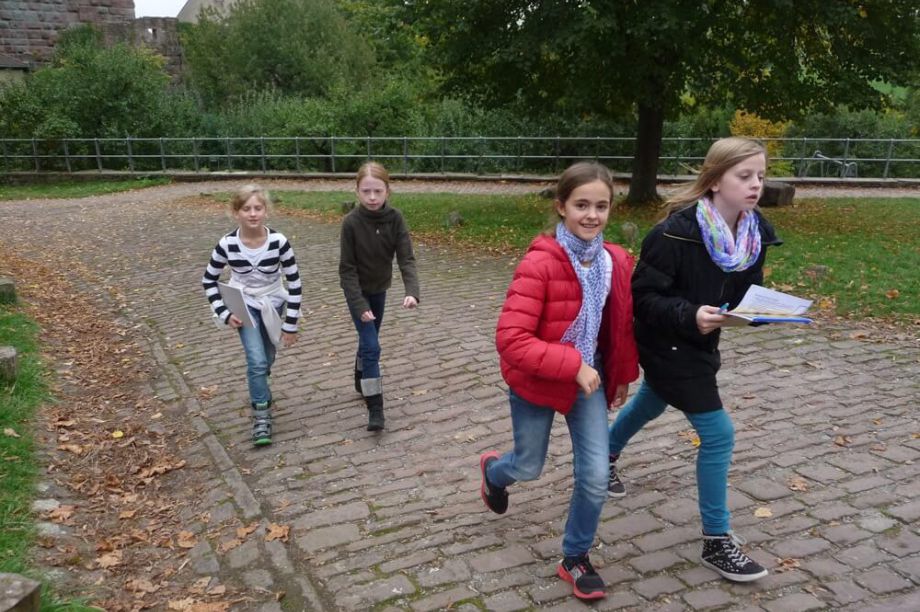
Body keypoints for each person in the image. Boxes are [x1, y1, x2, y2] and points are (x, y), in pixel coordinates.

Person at [607, 137, 780, 582]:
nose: (755, 185)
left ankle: (602, 456)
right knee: (719, 434)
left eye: (760, 176)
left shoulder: (753, 233)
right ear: (715, 180)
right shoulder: (673, 233)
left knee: (652, 400)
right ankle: (716, 540)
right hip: (664, 340)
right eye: (744, 176)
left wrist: (762, 311)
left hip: (700, 340)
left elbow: (743, 292)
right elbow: (643, 299)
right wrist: (690, 315)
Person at [480, 162, 639, 601]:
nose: (592, 215)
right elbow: (511, 339)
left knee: (595, 474)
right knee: (528, 466)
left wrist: (622, 375)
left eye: (601, 206)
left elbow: (620, 326)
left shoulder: (614, 261)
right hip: (537, 380)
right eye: (581, 205)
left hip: (589, 381)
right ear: (561, 206)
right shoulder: (541, 263)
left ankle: (575, 557)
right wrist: (572, 365)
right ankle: (494, 472)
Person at [202, 184, 302, 446]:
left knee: (267, 357)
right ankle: (261, 415)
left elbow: (294, 282)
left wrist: (290, 324)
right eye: (246, 209)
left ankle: (260, 386)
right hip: (242, 305)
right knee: (256, 362)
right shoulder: (227, 244)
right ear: (236, 212)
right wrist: (224, 312)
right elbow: (209, 280)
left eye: (258, 208)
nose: (253, 214)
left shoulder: (279, 242)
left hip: (273, 302)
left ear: (266, 211)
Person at [339, 161, 420, 432]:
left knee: (368, 341)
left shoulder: (395, 219)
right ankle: (375, 408)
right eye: (366, 191)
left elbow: (406, 258)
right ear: (357, 192)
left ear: (388, 191)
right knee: (372, 346)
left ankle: (360, 375)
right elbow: (347, 269)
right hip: (357, 293)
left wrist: (412, 292)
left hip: (379, 289)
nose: (372, 197)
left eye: (378, 191)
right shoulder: (351, 223)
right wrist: (359, 304)